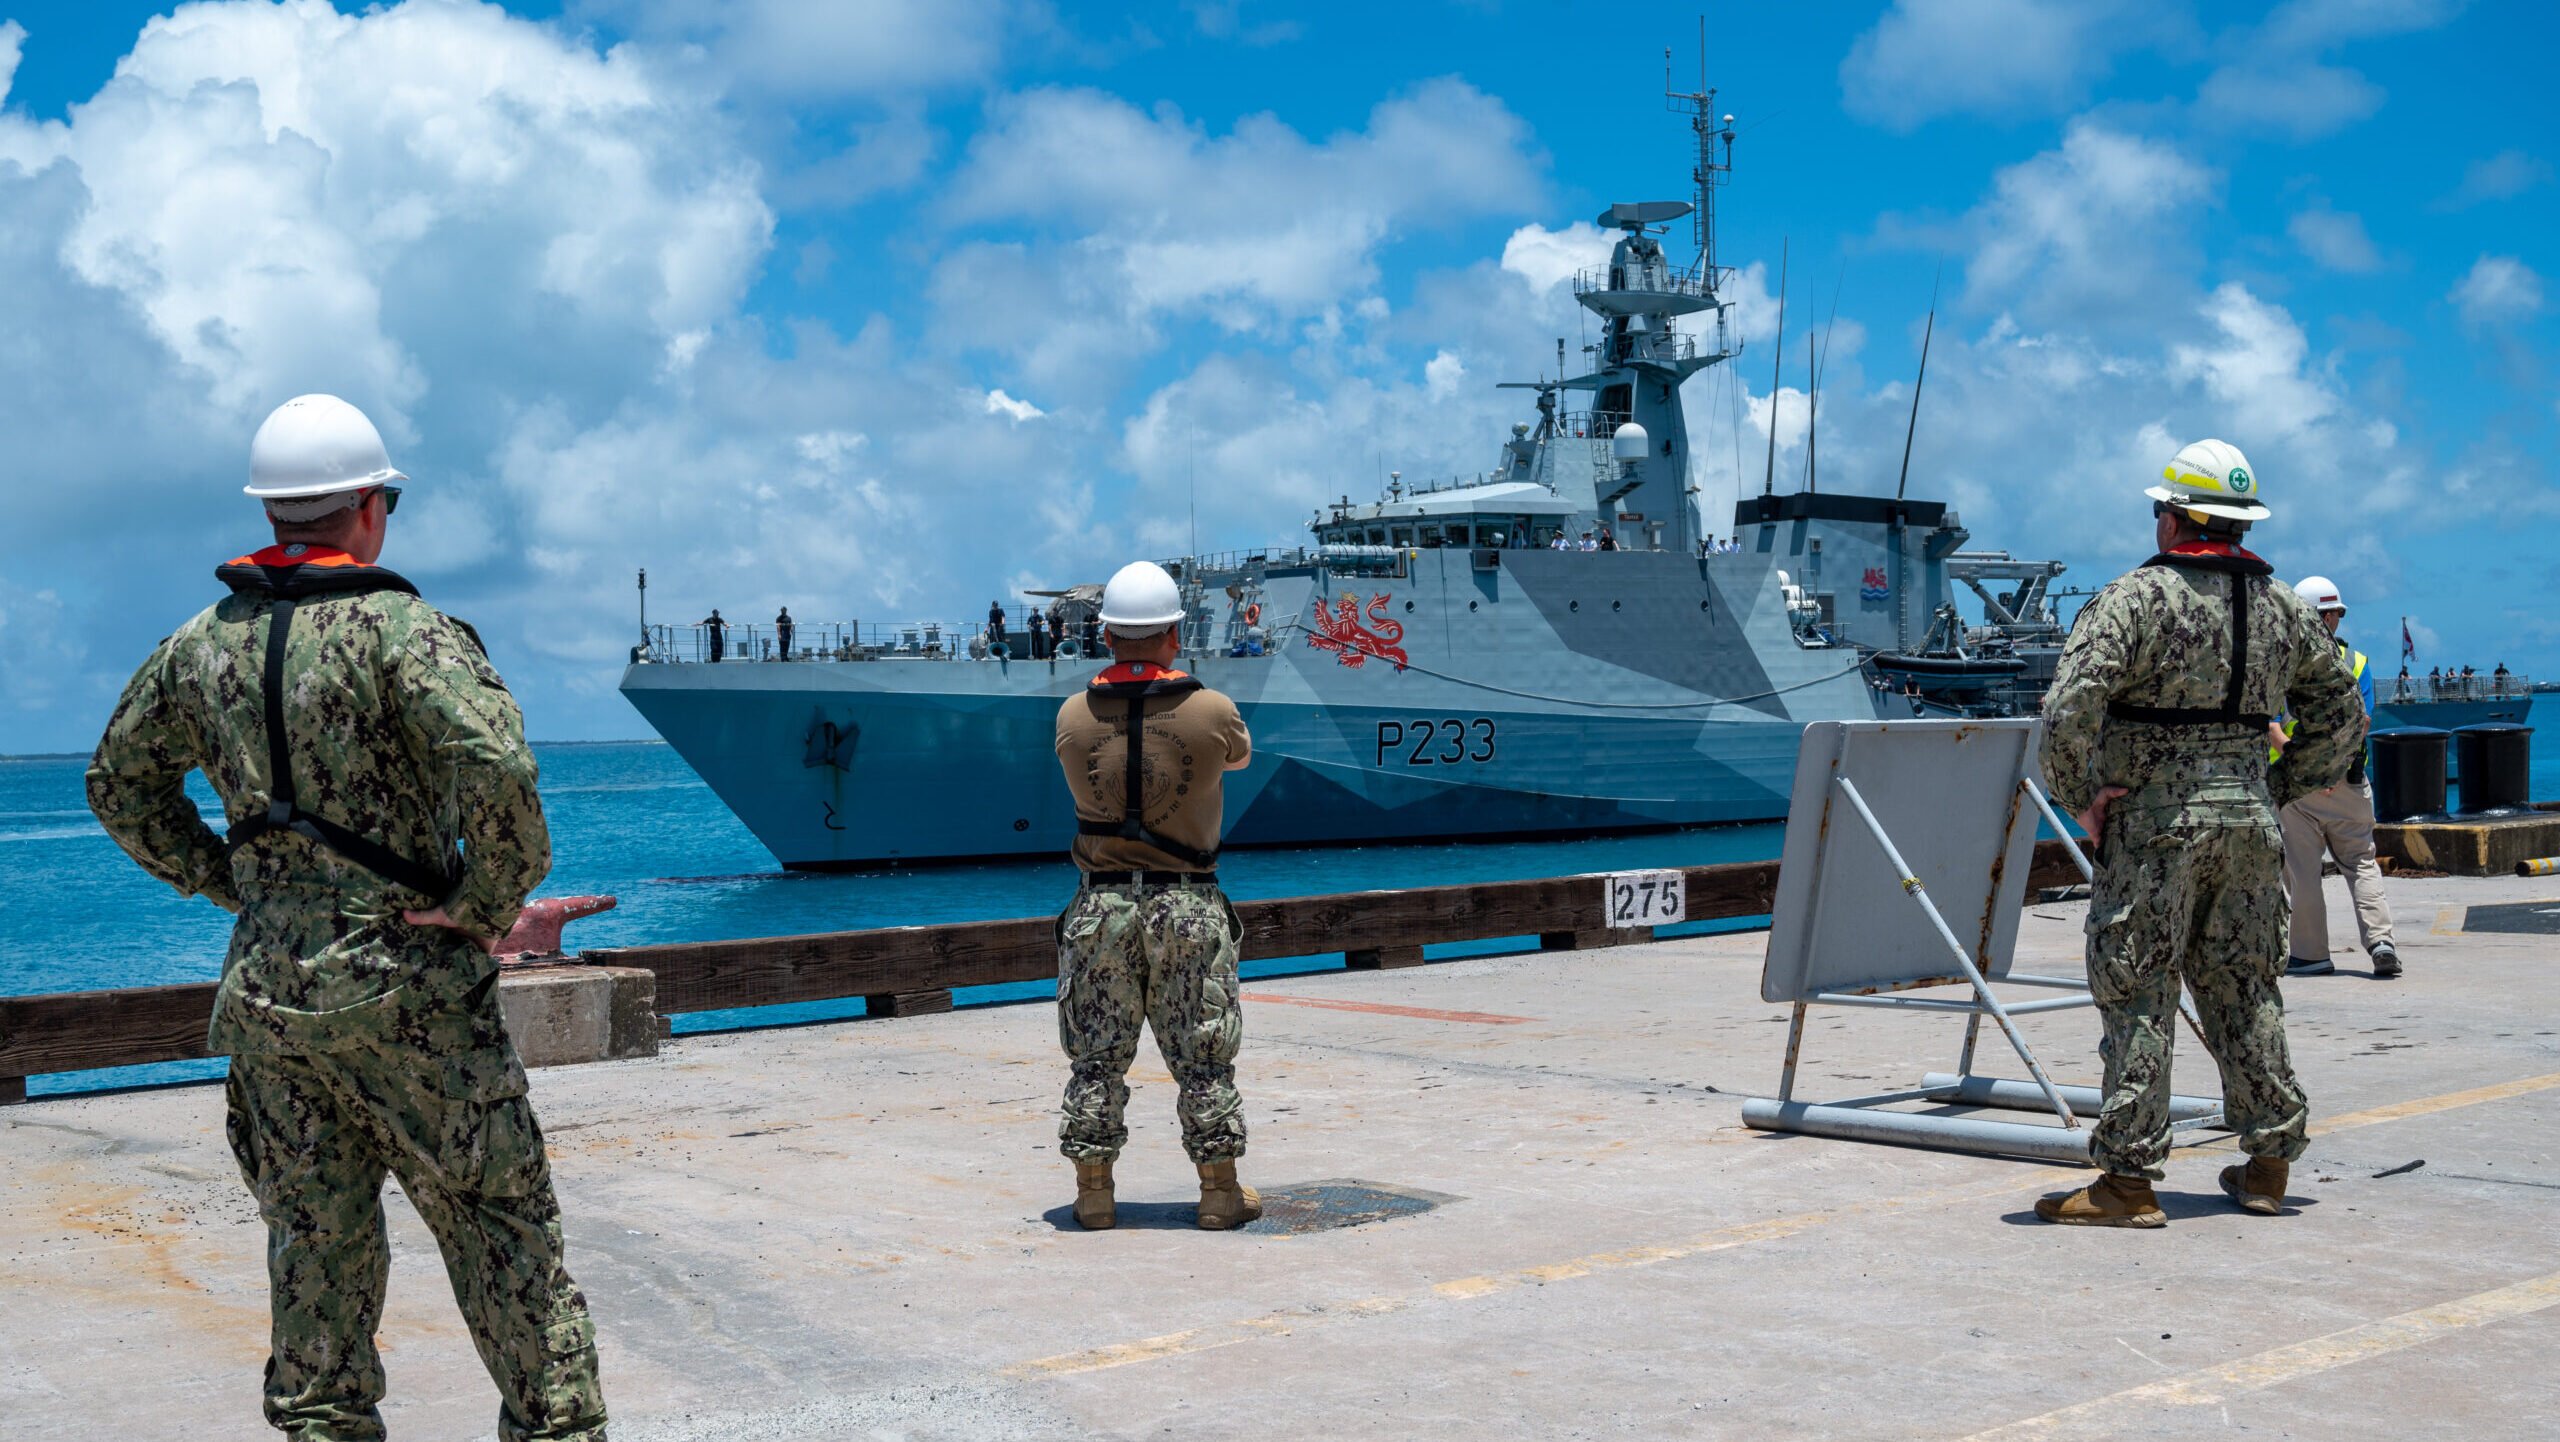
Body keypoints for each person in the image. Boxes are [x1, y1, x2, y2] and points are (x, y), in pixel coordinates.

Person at [85, 394, 607, 1438]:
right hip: (409, 994)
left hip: (273, 1000)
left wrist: (233, 884)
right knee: (500, 1231)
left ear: (273, 513)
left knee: (313, 1247)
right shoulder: (406, 631)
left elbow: (118, 784)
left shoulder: (198, 644)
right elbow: (497, 765)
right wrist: (483, 902)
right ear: (372, 505)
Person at [2034, 438, 2363, 1228]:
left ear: (2175, 518)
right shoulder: (2285, 607)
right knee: (2246, 987)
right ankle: (2269, 1162)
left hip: (2155, 825)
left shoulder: (2133, 601)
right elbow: (2341, 713)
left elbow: (2067, 707)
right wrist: (2272, 786)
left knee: (2138, 991)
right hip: (2249, 823)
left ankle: (2127, 1183)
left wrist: (2084, 796)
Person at [1051, 561, 1260, 1233]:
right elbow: (1237, 760)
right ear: (1175, 633)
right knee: (1203, 1054)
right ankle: (1220, 1193)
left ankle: (1094, 1194)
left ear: (1107, 635)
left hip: (1101, 905)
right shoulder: (1213, 710)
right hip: (1187, 903)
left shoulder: (1072, 715)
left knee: (1097, 1053)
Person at [2276, 577, 2399, 979]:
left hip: (2299, 788)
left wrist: (2307, 764)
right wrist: (2331, 763)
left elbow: (2270, 725)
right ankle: (2381, 942)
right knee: (2362, 862)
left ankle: (2311, 955)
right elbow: (2361, 722)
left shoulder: (2280, 663)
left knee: (2302, 871)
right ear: (2330, 617)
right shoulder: (2357, 662)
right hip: (2349, 781)